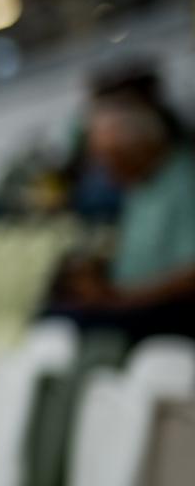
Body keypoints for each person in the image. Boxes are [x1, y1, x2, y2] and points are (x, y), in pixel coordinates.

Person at [53, 73, 195, 337]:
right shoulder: (139, 186)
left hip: (170, 319)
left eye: (112, 160)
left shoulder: (185, 181)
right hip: (134, 310)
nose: (106, 173)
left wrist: (122, 299)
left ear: (140, 147)